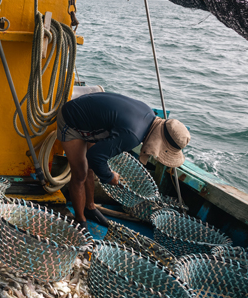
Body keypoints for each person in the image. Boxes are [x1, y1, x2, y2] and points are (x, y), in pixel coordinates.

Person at [57, 91, 190, 230]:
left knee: (90, 167)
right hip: (71, 117)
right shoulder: (133, 136)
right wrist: (109, 177)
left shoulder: (149, 114)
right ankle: (80, 220)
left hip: (92, 120)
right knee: (80, 174)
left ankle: (90, 208)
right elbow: (94, 156)